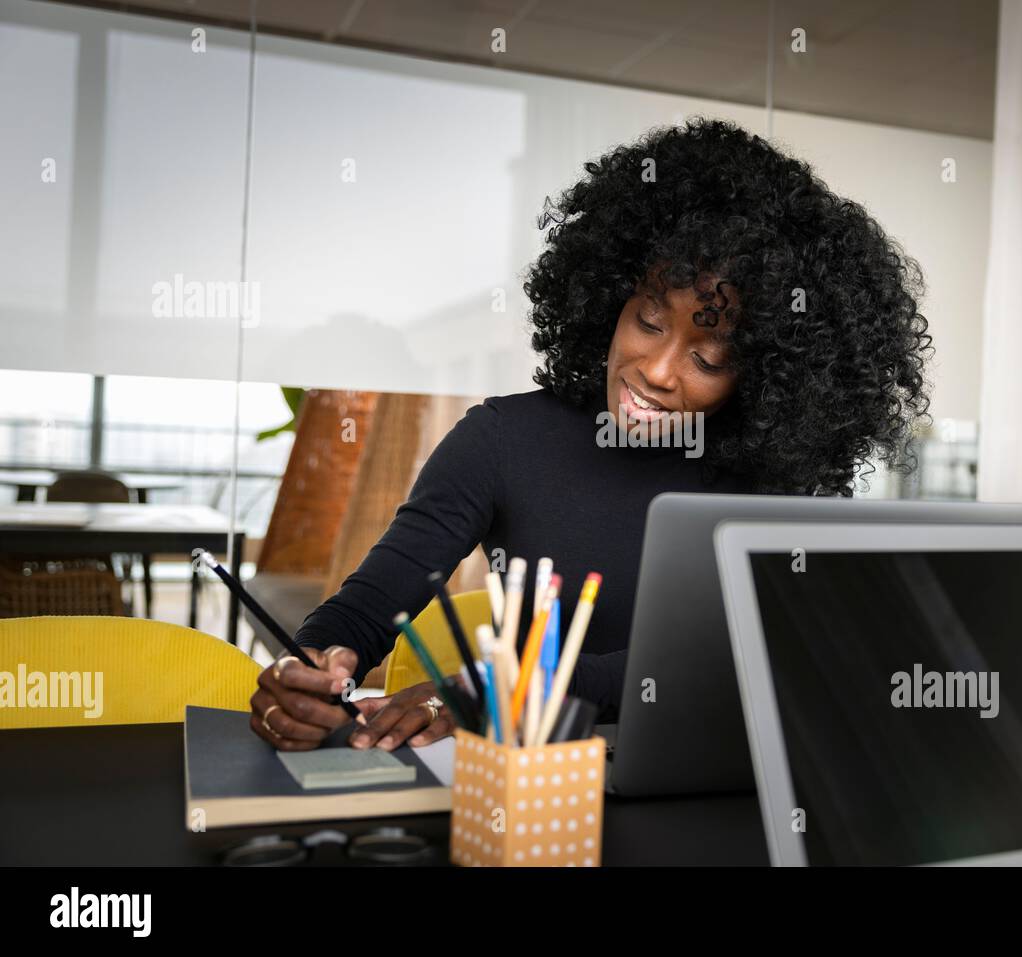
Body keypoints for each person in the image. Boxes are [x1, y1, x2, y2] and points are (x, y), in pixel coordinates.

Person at [249, 117, 931, 752]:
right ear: (609, 298)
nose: (657, 370)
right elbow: (367, 608)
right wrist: (311, 665)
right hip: (533, 791)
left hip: (713, 794)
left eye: (708, 357)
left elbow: (734, 656)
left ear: (763, 374)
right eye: (648, 320)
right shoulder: (502, 441)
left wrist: (488, 691)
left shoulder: (770, 484)